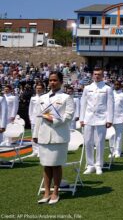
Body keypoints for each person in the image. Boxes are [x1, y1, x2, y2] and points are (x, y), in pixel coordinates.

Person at [33, 72, 74, 205]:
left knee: (56, 165)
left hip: (59, 136)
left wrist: (53, 120)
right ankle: (46, 193)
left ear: (61, 82)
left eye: (55, 80)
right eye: (50, 80)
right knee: (46, 165)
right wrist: (35, 134)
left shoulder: (67, 97)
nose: (52, 82)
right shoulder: (42, 97)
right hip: (44, 135)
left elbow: (68, 116)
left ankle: (56, 192)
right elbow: (38, 117)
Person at [80, 67, 114, 175]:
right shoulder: (87, 88)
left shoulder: (107, 88)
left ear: (103, 75)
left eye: (99, 74)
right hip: (88, 118)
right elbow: (83, 104)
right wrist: (81, 118)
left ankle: (99, 165)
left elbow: (110, 105)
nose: (97, 76)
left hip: (101, 118)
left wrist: (109, 120)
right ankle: (90, 165)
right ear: (92, 75)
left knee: (100, 142)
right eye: (95, 74)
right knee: (88, 142)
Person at [111, 81, 123, 158]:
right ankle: (112, 151)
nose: (116, 86)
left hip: (120, 117)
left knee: (119, 135)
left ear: (120, 86)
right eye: (115, 84)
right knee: (111, 135)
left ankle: (118, 151)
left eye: (118, 84)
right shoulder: (110, 93)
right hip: (111, 118)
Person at [28, 82, 45, 157]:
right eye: (37, 88)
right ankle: (34, 151)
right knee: (33, 135)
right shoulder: (33, 98)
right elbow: (30, 109)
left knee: (41, 135)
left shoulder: (45, 97)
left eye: (40, 88)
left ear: (43, 89)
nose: (38, 90)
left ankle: (40, 151)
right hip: (34, 119)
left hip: (42, 119)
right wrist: (30, 118)